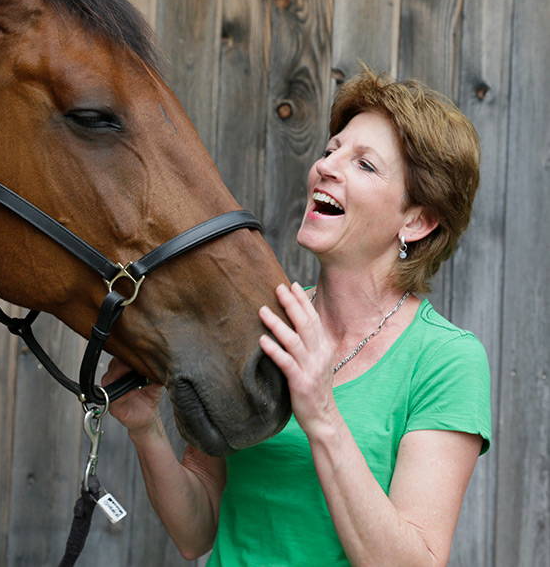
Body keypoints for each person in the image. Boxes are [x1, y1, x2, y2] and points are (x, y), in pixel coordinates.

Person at [102, 68, 491, 566]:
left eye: (365, 166)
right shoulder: (260, 323)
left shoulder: (445, 360)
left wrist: (321, 413)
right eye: (332, 151)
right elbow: (196, 534)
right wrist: (145, 429)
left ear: (416, 221)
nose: (327, 167)